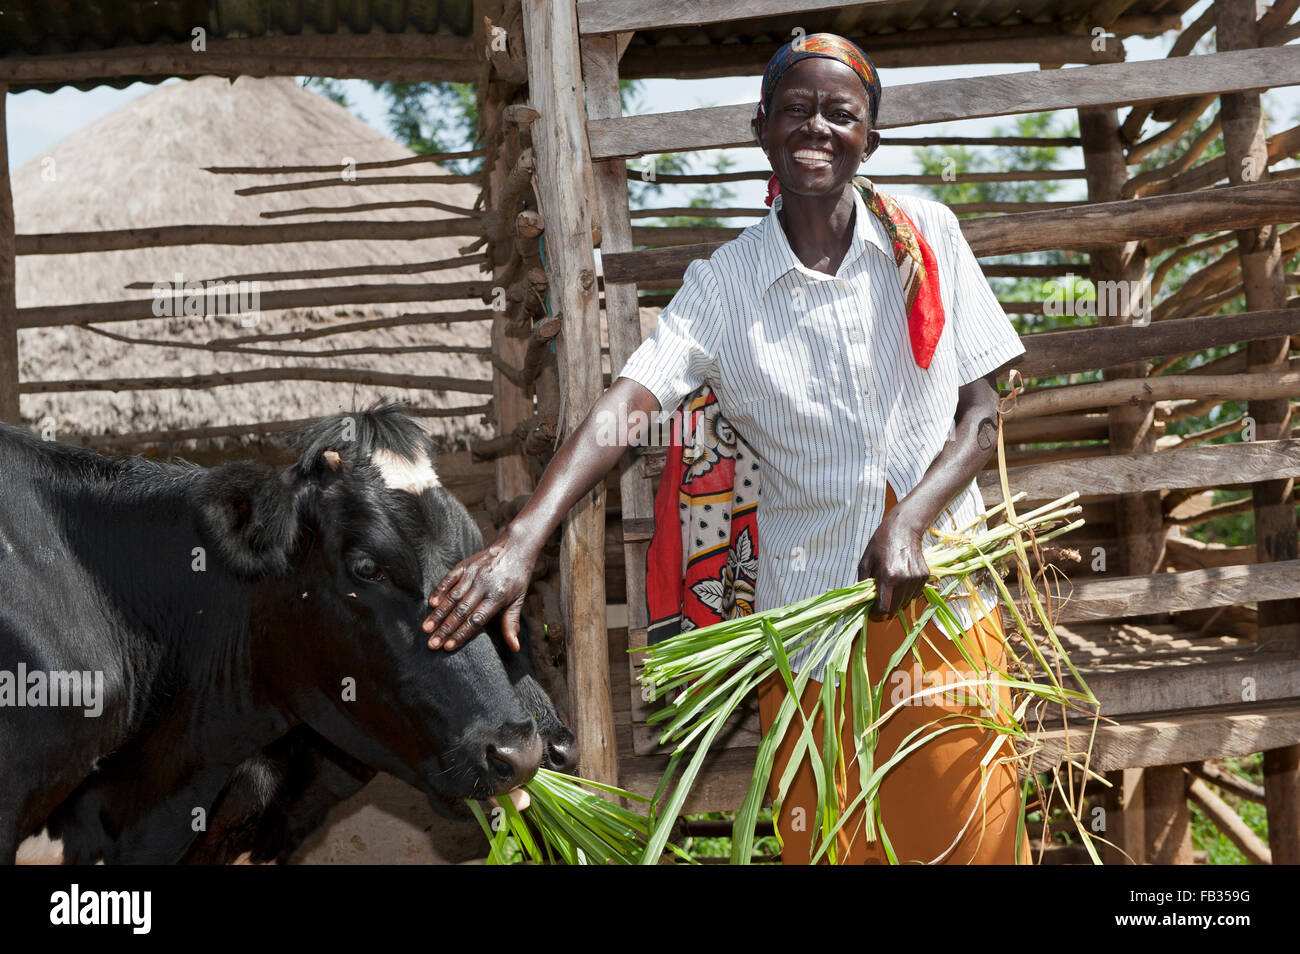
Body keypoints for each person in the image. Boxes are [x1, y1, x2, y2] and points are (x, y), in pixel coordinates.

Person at [422, 33, 1029, 864]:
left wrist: (913, 521)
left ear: (871, 140)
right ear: (763, 129)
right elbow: (625, 408)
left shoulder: (927, 234)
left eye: (840, 114)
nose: (817, 127)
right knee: (836, 841)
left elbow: (983, 413)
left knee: (968, 835)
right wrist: (523, 537)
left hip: (947, 605)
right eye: (796, 110)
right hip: (812, 625)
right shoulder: (723, 286)